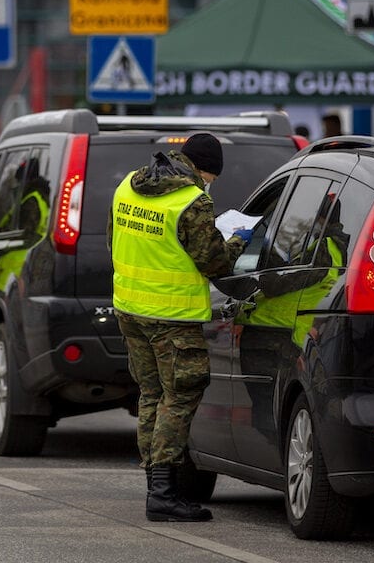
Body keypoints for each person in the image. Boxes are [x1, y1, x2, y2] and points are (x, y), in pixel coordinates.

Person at [108, 133, 249, 522]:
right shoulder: (191, 200)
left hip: (130, 310)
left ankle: (156, 489)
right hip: (174, 318)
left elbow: (112, 241)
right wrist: (237, 241)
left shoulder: (128, 186)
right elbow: (214, 263)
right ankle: (165, 493)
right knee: (180, 397)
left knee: (152, 395)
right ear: (204, 168)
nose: (211, 184)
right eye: (212, 177)